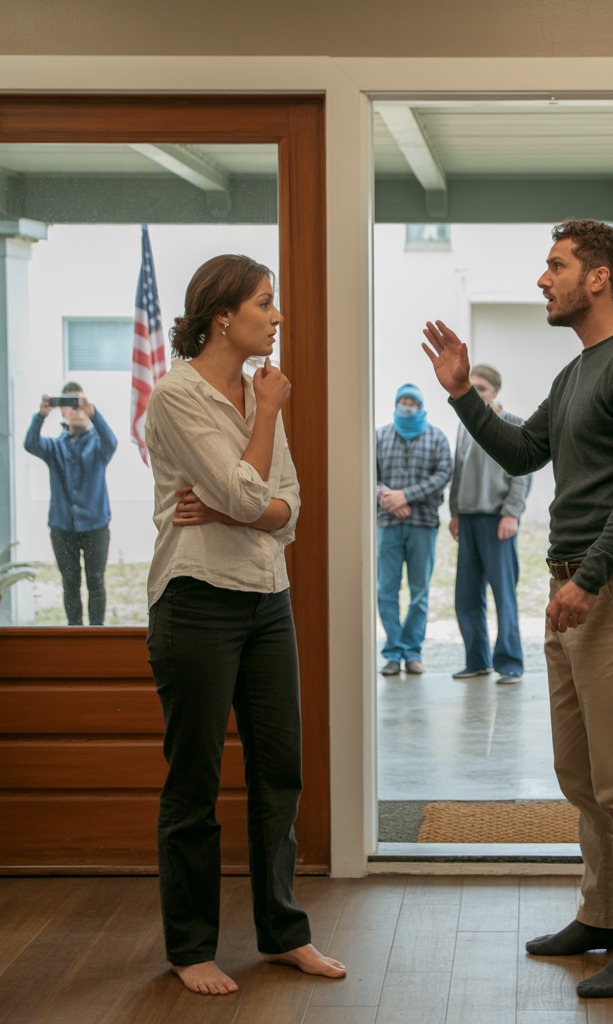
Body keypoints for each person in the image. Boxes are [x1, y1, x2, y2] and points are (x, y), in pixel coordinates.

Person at [423, 219, 613, 999]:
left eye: (557, 265)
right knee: (583, 772)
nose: (544, 278)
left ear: (599, 277)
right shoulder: (579, 372)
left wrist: (591, 578)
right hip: (574, 588)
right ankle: (601, 916)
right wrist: (462, 394)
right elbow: (523, 452)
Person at [145, 254, 345, 996]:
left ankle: (283, 932)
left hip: (267, 597)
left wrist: (241, 503)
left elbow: (284, 507)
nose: (277, 315)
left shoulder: (259, 392)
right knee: (193, 781)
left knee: (279, 772)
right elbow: (245, 488)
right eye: (266, 303)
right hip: (196, 598)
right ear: (224, 315)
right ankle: (190, 947)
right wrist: (259, 440)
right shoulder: (178, 396)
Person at [449, 363, 531, 685]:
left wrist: (512, 513)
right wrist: (455, 511)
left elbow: (522, 473)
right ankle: (476, 660)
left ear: (495, 391)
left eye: (481, 388)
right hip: (467, 520)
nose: (476, 393)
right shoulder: (465, 425)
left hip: (499, 521)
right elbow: (458, 470)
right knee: (466, 596)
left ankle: (510, 664)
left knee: (504, 595)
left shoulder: (514, 425)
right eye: (473, 388)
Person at [24, 381, 117, 625]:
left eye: (80, 403)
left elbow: (112, 441)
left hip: (96, 526)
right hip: (62, 527)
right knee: (70, 583)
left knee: (96, 581)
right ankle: (74, 633)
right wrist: (41, 415)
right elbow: (30, 444)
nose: (75, 409)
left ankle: (96, 635)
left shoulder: (98, 444)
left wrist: (93, 411)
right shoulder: (54, 447)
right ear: (62, 411)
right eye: (69, 404)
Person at [376, 382, 452, 676]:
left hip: (423, 526)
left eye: (412, 402)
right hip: (388, 525)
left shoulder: (437, 438)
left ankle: (413, 651)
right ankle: (393, 652)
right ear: (395, 404)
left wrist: (406, 496)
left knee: (419, 591)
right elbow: (369, 474)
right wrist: (389, 498)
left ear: (421, 406)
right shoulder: (380, 436)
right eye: (402, 401)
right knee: (386, 590)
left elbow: (444, 473)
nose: (406, 406)